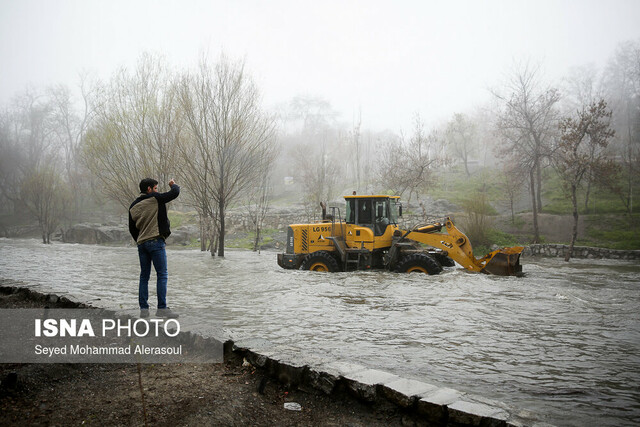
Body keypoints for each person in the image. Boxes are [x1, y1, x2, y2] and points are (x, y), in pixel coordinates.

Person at [129, 178, 180, 318]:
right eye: (156, 188)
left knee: (144, 276)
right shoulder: (154, 198)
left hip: (142, 244)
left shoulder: (133, 206)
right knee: (162, 275)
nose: (157, 190)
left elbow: (132, 229)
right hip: (155, 241)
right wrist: (172, 184)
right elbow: (174, 193)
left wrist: (140, 241)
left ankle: (144, 310)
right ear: (149, 189)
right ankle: (162, 309)